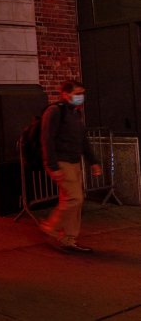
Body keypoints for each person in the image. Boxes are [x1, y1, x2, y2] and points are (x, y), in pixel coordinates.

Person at [40, 80, 102, 253]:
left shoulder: (75, 113)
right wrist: (53, 165)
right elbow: (47, 140)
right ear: (66, 94)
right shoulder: (54, 111)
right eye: (77, 93)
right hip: (61, 161)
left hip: (74, 162)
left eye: (82, 93)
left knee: (73, 201)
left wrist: (93, 161)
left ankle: (69, 238)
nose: (80, 97)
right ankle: (50, 226)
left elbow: (83, 140)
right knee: (75, 198)